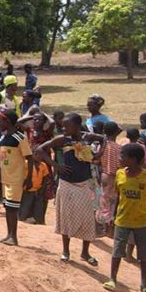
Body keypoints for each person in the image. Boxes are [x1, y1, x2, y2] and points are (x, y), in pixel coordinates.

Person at [36, 112, 102, 265]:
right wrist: (56, 165)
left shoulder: (88, 138)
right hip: (66, 184)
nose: (64, 129)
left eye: (67, 126)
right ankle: (66, 251)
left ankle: (85, 252)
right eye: (62, 126)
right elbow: (40, 150)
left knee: (87, 219)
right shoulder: (62, 139)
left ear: (77, 126)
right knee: (66, 217)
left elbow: (103, 139)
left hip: (83, 185)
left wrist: (98, 154)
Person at [104, 143, 146, 292]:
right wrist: (113, 215)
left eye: (123, 156)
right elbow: (119, 196)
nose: (120, 158)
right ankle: (113, 279)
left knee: (144, 254)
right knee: (117, 251)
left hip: (141, 221)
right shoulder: (119, 174)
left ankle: (144, 284)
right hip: (122, 220)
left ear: (134, 159)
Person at [0, 110, 32, 246]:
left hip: (16, 178)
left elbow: (30, 158)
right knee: (8, 207)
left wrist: (29, 177)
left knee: (12, 208)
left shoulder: (20, 138)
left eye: (0, 121)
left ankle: (13, 237)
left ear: (7, 122)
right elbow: (2, 158)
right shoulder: (4, 138)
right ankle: (9, 235)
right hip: (6, 177)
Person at [97, 122, 123, 236]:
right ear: (116, 132)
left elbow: (97, 160)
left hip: (103, 174)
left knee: (103, 199)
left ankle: (102, 224)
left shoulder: (102, 145)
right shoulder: (118, 148)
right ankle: (107, 227)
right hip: (113, 176)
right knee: (112, 202)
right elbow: (120, 164)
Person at [19, 156, 51, 225]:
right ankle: (22, 218)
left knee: (38, 206)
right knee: (26, 205)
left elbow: (46, 177)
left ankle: (38, 220)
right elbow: (22, 176)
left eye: (40, 154)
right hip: (28, 189)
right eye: (37, 154)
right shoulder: (26, 164)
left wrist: (42, 188)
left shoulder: (43, 165)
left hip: (38, 189)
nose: (39, 157)